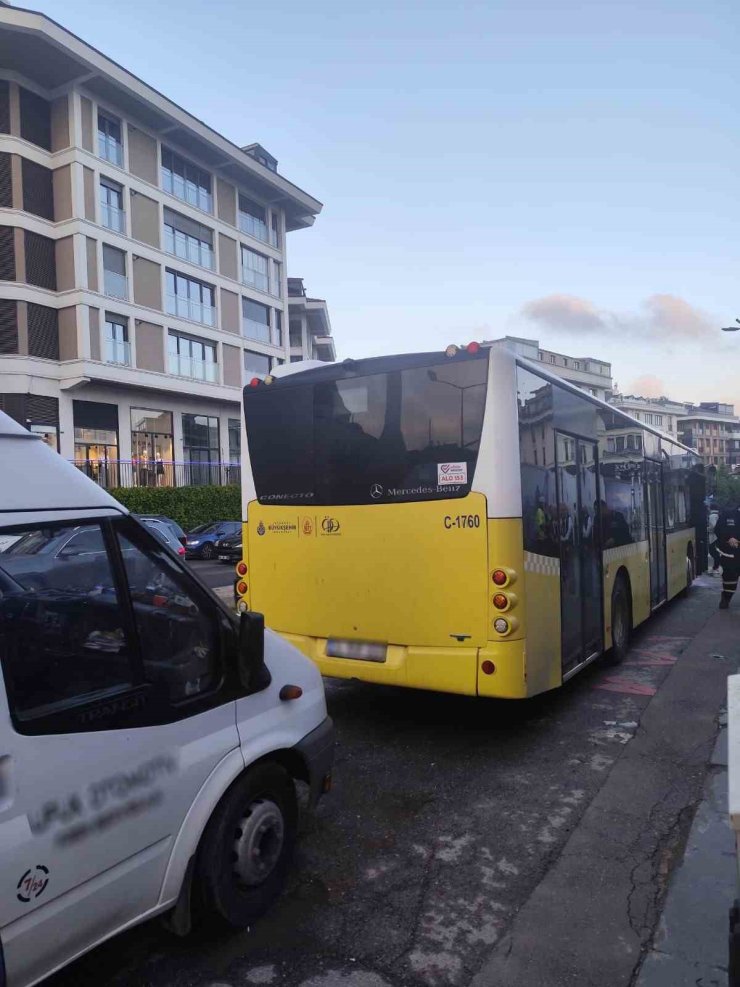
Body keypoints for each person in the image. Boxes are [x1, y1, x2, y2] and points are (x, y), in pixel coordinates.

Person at [715, 504, 740, 609]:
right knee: (730, 578)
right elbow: (718, 529)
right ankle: (726, 597)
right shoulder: (728, 513)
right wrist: (729, 538)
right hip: (730, 553)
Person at [708, 501, 721, 575]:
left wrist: (707, 529)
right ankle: (716, 567)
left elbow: (713, 526)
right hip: (717, 537)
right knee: (716, 552)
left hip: (713, 537)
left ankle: (715, 568)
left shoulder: (712, 516)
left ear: (710, 508)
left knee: (713, 552)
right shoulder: (718, 515)